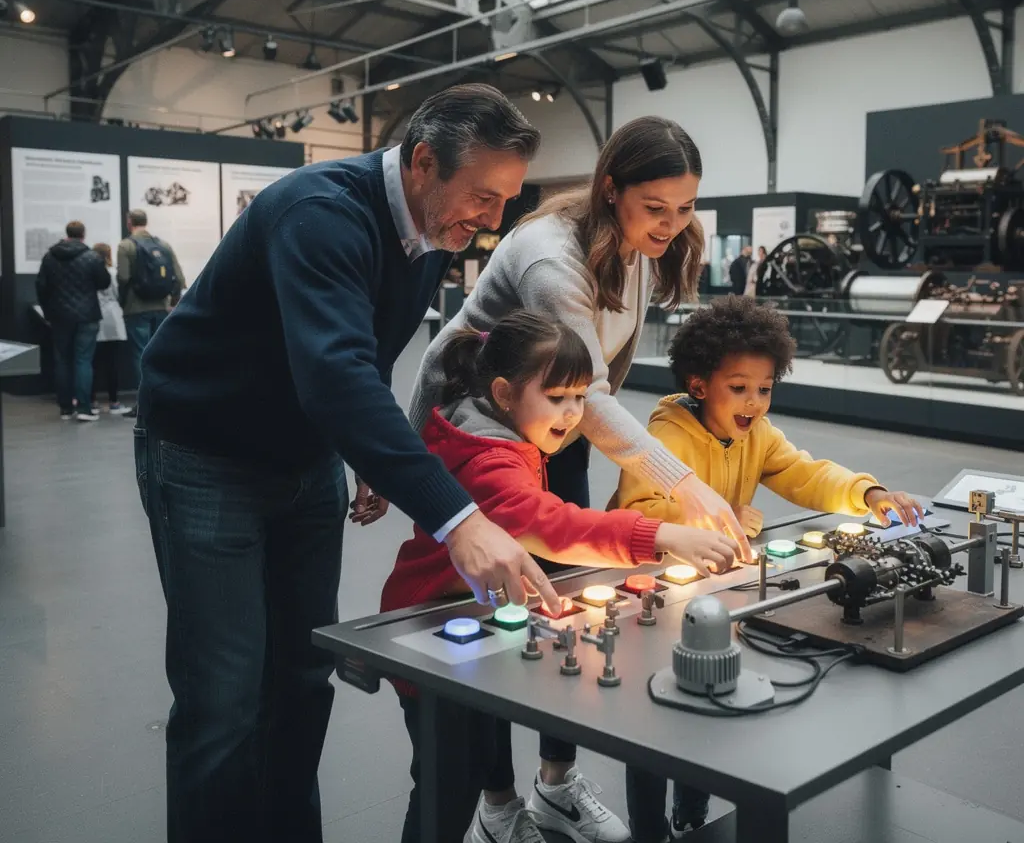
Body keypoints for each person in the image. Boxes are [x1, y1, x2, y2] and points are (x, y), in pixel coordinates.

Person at [134, 83, 561, 843]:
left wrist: (371, 445)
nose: (494, 220)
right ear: (425, 162)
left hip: (302, 459)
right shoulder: (320, 212)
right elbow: (332, 372)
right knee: (223, 699)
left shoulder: (433, 232)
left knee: (302, 678)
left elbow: (367, 352)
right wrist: (456, 515)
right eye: (484, 196)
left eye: (507, 200)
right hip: (205, 454)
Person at [381, 311, 738, 843]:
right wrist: (660, 534)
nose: (573, 415)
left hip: (474, 624)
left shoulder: (498, 430)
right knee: (446, 786)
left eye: (579, 397)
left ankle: (513, 810)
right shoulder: (489, 459)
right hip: (433, 633)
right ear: (503, 392)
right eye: (557, 397)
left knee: (470, 765)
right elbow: (549, 524)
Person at [613, 295, 924, 842]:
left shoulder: (757, 433)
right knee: (653, 724)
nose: (754, 402)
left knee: (708, 707)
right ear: (699, 384)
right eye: (739, 388)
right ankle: (649, 831)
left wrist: (866, 491)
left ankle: (691, 814)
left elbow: (804, 473)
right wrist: (718, 517)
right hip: (656, 598)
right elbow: (635, 515)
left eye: (765, 388)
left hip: (718, 596)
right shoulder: (665, 438)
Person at [410, 116, 751, 553]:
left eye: (685, 208)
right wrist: (682, 483)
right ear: (611, 189)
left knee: (567, 565)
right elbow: (589, 391)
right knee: (498, 576)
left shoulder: (641, 245)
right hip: (490, 437)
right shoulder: (552, 261)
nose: (671, 225)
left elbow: (583, 393)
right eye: (655, 208)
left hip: (556, 426)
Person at [35, 220, 110, 422]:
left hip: (59, 317)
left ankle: (66, 409)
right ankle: (85, 408)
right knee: (83, 360)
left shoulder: (50, 257)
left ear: (66, 233)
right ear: (83, 235)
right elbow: (104, 282)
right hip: (88, 316)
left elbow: (41, 287)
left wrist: (48, 312)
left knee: (62, 361)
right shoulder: (92, 257)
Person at [117, 208, 185, 419]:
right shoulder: (163, 245)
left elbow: (123, 277)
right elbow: (180, 278)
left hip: (136, 309)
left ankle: (142, 404)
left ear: (130, 223)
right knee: (159, 354)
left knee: (140, 355)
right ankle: (162, 400)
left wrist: (123, 302)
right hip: (161, 308)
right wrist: (171, 302)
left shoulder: (126, 245)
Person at [91, 242, 130, 415]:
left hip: (95, 318)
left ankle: (92, 401)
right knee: (112, 363)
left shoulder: (89, 273)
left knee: (93, 362)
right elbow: (118, 294)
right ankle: (114, 402)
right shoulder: (113, 273)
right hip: (113, 318)